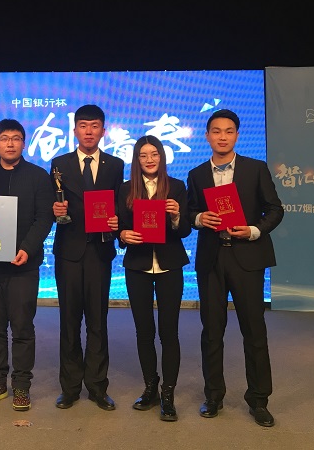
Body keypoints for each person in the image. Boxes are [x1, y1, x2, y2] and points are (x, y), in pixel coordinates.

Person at [187, 109, 284, 428]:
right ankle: (213, 396)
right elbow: (189, 213)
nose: (222, 136)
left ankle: (259, 399)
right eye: (216, 131)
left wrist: (254, 230)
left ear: (237, 135)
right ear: (207, 136)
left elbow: (275, 209)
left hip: (247, 258)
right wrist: (199, 218)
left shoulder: (256, 169)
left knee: (254, 331)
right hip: (212, 260)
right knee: (212, 331)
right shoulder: (197, 174)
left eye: (229, 131)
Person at [0, 119, 54, 412]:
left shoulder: (38, 176)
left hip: (23, 265)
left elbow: (44, 218)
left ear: (23, 143)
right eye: (4, 138)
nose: (10, 143)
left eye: (16, 138)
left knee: (22, 327)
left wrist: (26, 249)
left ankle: (21, 386)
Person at [50, 104, 124, 411]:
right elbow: (52, 203)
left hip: (100, 251)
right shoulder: (59, 164)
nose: (89, 131)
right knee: (69, 321)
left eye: (94, 126)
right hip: (69, 252)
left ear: (103, 131)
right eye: (83, 126)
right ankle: (69, 388)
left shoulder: (115, 165)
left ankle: (97, 386)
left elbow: (120, 203)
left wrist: (118, 220)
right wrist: (55, 211)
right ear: (75, 130)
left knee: (97, 321)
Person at [117, 136, 191, 421]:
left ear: (162, 157)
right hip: (137, 266)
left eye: (154, 154)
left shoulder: (177, 186)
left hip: (170, 265)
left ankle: (168, 393)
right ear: (137, 159)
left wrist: (176, 216)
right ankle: (150, 387)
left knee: (169, 332)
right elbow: (120, 228)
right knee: (144, 331)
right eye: (143, 155)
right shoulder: (126, 189)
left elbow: (184, 230)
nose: (149, 159)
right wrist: (122, 235)